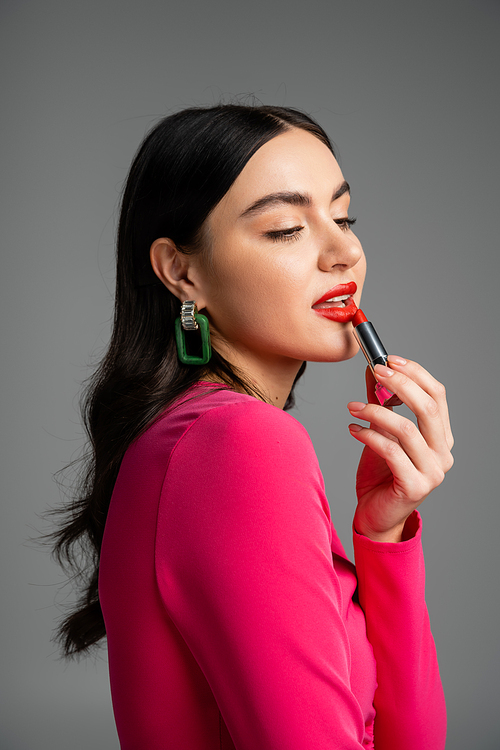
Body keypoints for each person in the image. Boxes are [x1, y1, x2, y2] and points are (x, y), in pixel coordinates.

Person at [52, 104, 453, 749]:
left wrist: (385, 533)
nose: (345, 250)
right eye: (288, 228)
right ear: (182, 271)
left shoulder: (194, 437)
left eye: (344, 217)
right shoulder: (236, 443)